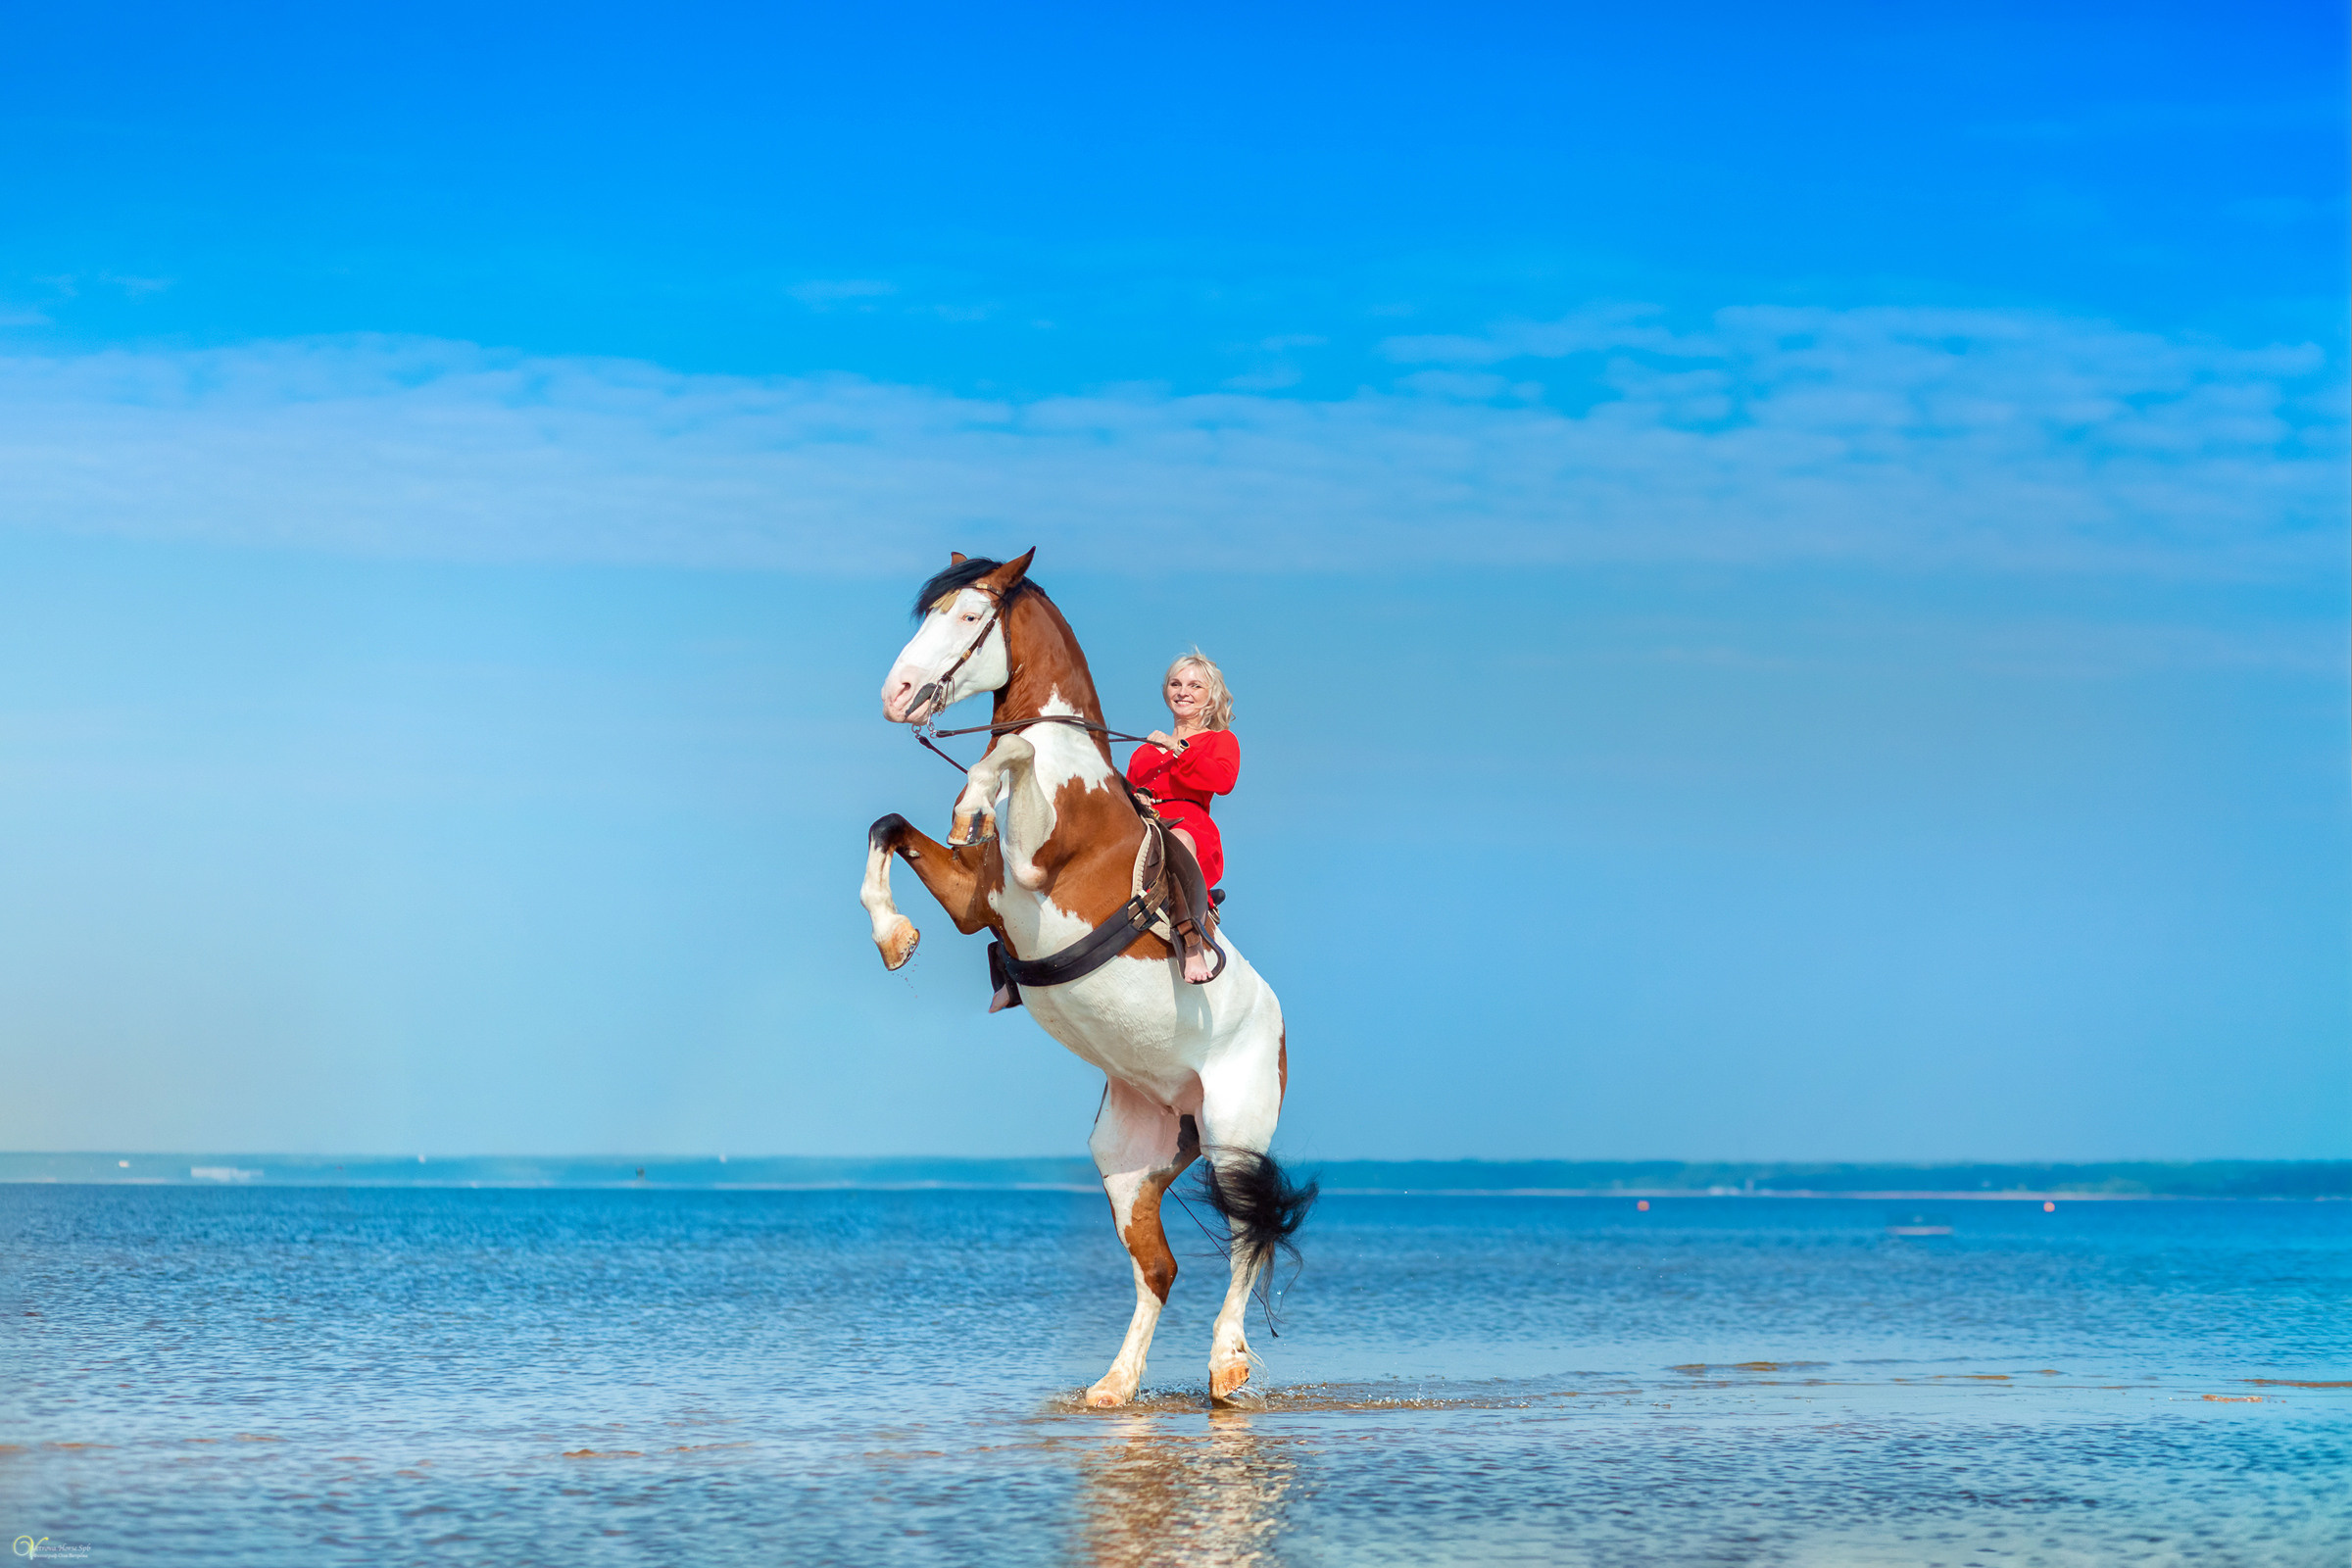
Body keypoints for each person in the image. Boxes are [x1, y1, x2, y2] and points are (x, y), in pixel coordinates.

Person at [1125, 653, 1239, 983]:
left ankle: (1192, 943)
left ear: (1211, 695)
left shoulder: (1220, 740)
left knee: (1181, 840)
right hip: (1144, 826)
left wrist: (1179, 749)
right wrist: (1137, 797)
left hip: (1188, 824)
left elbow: (1223, 781)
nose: (1183, 691)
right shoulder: (1143, 751)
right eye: (1176, 684)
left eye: (1194, 685)